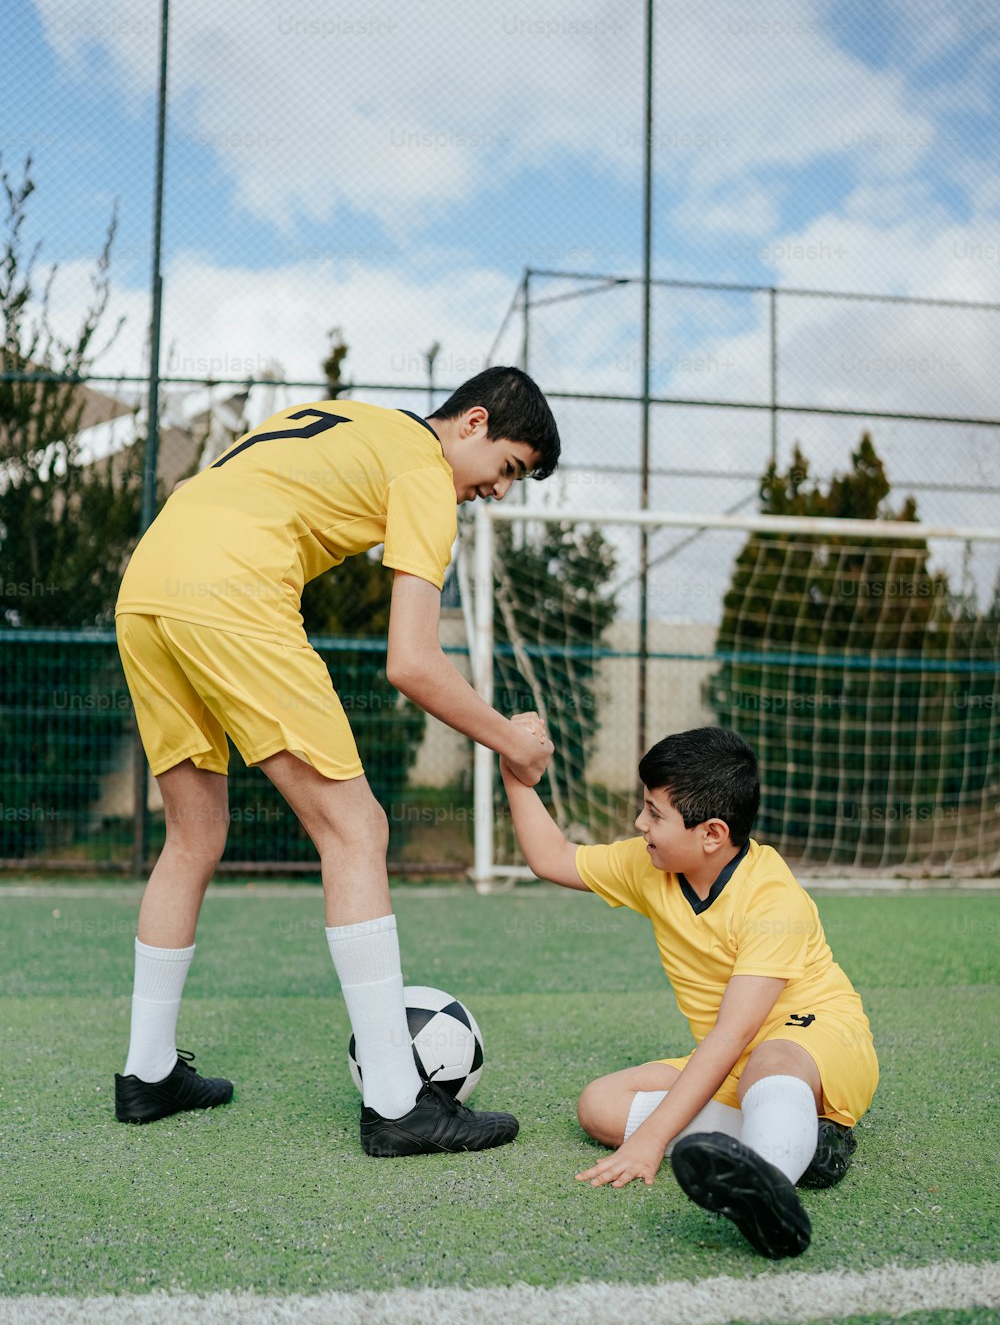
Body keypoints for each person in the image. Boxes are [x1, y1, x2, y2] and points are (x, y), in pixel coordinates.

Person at [114, 365, 557, 1155]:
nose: (498, 491)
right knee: (356, 830)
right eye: (508, 469)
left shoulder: (354, 418)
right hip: (228, 587)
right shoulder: (425, 468)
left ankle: (148, 1073)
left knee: (193, 835)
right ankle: (396, 1103)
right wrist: (509, 739)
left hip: (147, 585)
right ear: (474, 423)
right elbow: (412, 662)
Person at [500, 723, 878, 1258]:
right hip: (732, 1058)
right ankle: (806, 1142)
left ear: (712, 834)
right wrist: (516, 772)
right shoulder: (652, 863)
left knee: (769, 1061)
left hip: (816, 1044)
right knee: (600, 1106)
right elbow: (553, 857)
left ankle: (770, 1183)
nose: (639, 823)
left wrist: (653, 1139)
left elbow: (733, 1033)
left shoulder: (773, 899)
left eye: (655, 813)